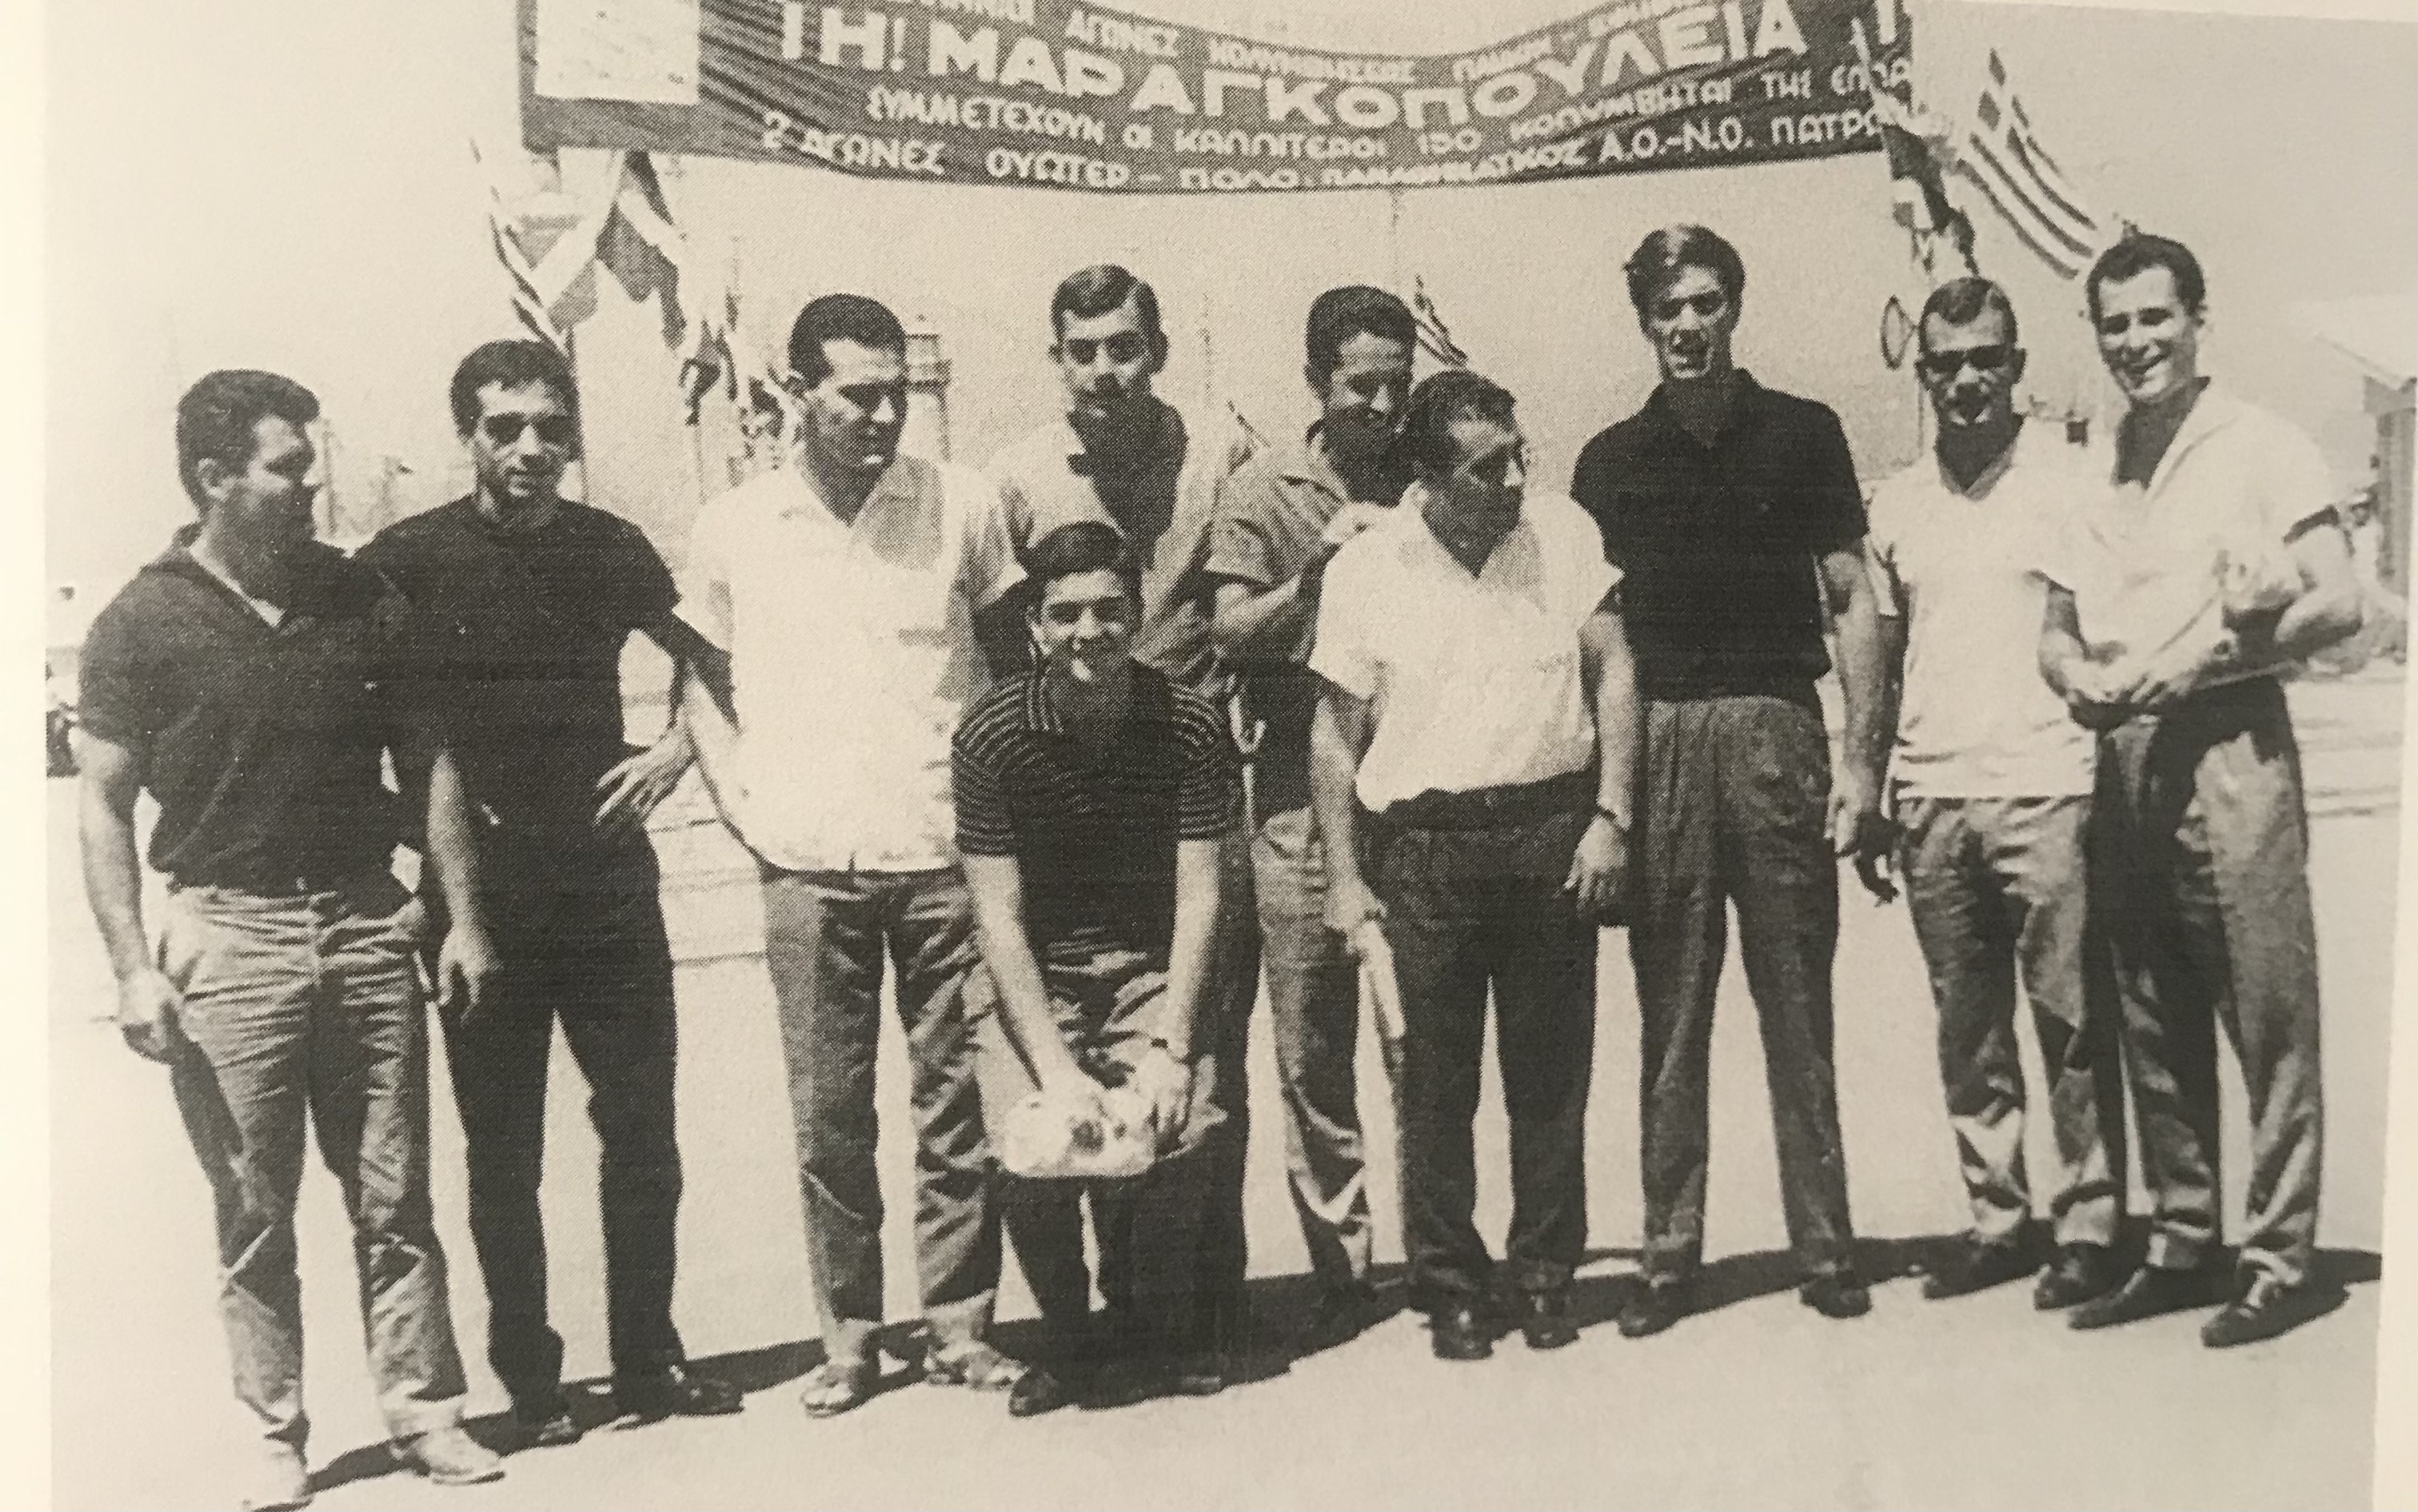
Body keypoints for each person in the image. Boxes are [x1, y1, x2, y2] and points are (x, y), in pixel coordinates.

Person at [74, 369, 502, 1510]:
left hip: (366, 922)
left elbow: (431, 760)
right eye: (289, 467)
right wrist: (132, 968)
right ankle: (273, 1436)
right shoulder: (139, 620)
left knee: (394, 1198)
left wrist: (459, 916)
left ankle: (426, 1412)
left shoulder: (358, 596)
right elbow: (102, 806)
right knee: (254, 1208)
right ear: (216, 477)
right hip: (228, 934)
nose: (311, 485)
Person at [357, 340, 741, 1445]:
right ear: (466, 435)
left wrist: (673, 750)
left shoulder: (610, 547)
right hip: (481, 898)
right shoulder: (406, 560)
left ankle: (648, 1359)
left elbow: (716, 653)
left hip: (607, 883)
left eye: (552, 427)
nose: (531, 448)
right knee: (502, 1155)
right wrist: (416, 866)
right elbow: (358, 728)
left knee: (643, 1132)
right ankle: (530, 1381)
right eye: (505, 427)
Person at [679, 294, 1025, 1415]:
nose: (882, 416)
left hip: (941, 855)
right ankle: (851, 1338)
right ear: (798, 392)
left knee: (955, 1109)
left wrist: (997, 823)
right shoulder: (735, 525)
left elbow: (1011, 672)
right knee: (830, 1117)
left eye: (896, 395)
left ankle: (962, 1325)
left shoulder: (961, 503)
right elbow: (704, 687)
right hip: (808, 864)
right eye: (857, 395)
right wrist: (749, 813)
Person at [2038, 233, 2362, 1346]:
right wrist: (2072, 676)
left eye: (2155, 318)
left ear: (2196, 320)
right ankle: (2184, 1239)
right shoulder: (2095, 466)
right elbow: (2057, 626)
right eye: (2116, 324)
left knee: (2267, 1008)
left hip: (2231, 741)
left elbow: (2339, 599)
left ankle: (2278, 1256)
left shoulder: (2262, 444)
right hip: (2123, 752)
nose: (2137, 342)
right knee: (2148, 1006)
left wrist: (2212, 661)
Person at [1570, 225, 1886, 1338]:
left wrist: (1862, 761)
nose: (1687, 324)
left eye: (1705, 301)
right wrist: (1610, 799)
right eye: (1668, 307)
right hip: (1661, 737)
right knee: (1671, 1009)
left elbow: (1852, 598)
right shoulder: (1609, 459)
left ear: (1735, 308)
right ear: (1644, 321)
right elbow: (1599, 642)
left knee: (1798, 997)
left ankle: (1827, 1244)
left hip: (1776, 728)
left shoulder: (1804, 432)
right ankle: (1668, 1253)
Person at [1310, 369, 1637, 1362]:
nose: (1513, 481)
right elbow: (1334, 737)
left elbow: (1615, 671)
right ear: (1427, 474)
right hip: (1425, 854)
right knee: (1434, 1085)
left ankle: (1544, 1275)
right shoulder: (1366, 571)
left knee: (1550, 1079)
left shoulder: (1563, 534)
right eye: (1487, 467)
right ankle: (1450, 1282)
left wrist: (1611, 815)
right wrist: (1345, 879)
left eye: (1517, 456)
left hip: (1548, 835)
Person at [986, 264, 1256, 1367]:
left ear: (1157, 351)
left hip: (1192, 776)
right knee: (1064, 1088)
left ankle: (1196, 1308)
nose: (1105, 369)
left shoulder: (1219, 454)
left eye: (1125, 346)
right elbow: (1004, 644)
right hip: (1065, 797)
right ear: (1057, 358)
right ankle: (1089, 1326)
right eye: (1083, 350)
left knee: (1197, 1071)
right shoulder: (1015, 475)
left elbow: (1242, 599)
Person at [1865, 279, 2129, 1310]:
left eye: (1987, 358)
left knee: (2072, 1023)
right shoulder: (1896, 502)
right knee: (1967, 1030)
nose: (1967, 379)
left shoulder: (2072, 479)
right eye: (1946, 362)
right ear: (1923, 373)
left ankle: (2092, 1224)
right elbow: (1883, 661)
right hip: (1933, 795)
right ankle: (1999, 1220)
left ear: (2017, 365)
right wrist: (1876, 787)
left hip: (2048, 787)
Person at [953, 521, 1242, 1413]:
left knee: (1182, 1125)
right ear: (1035, 626)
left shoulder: (1189, 723)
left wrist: (1171, 1047)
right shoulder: (991, 733)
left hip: (1147, 963)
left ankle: (1150, 1326)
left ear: (1139, 613)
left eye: (1109, 611)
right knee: (1031, 1139)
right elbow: (998, 918)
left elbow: (1201, 896)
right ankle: (1068, 1338)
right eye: (1066, 613)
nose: (1090, 632)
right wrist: (1055, 1068)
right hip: (1034, 968)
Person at [1206, 285, 1416, 1350]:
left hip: (1418, 784)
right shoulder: (1264, 485)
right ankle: (1344, 1266)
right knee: (1312, 1042)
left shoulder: (1433, 470)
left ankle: (1442, 1243)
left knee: (1424, 1032)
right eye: (1358, 384)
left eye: (1395, 382)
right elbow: (1228, 631)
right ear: (1316, 382)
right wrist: (1315, 578)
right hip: (1295, 787)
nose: (1380, 403)